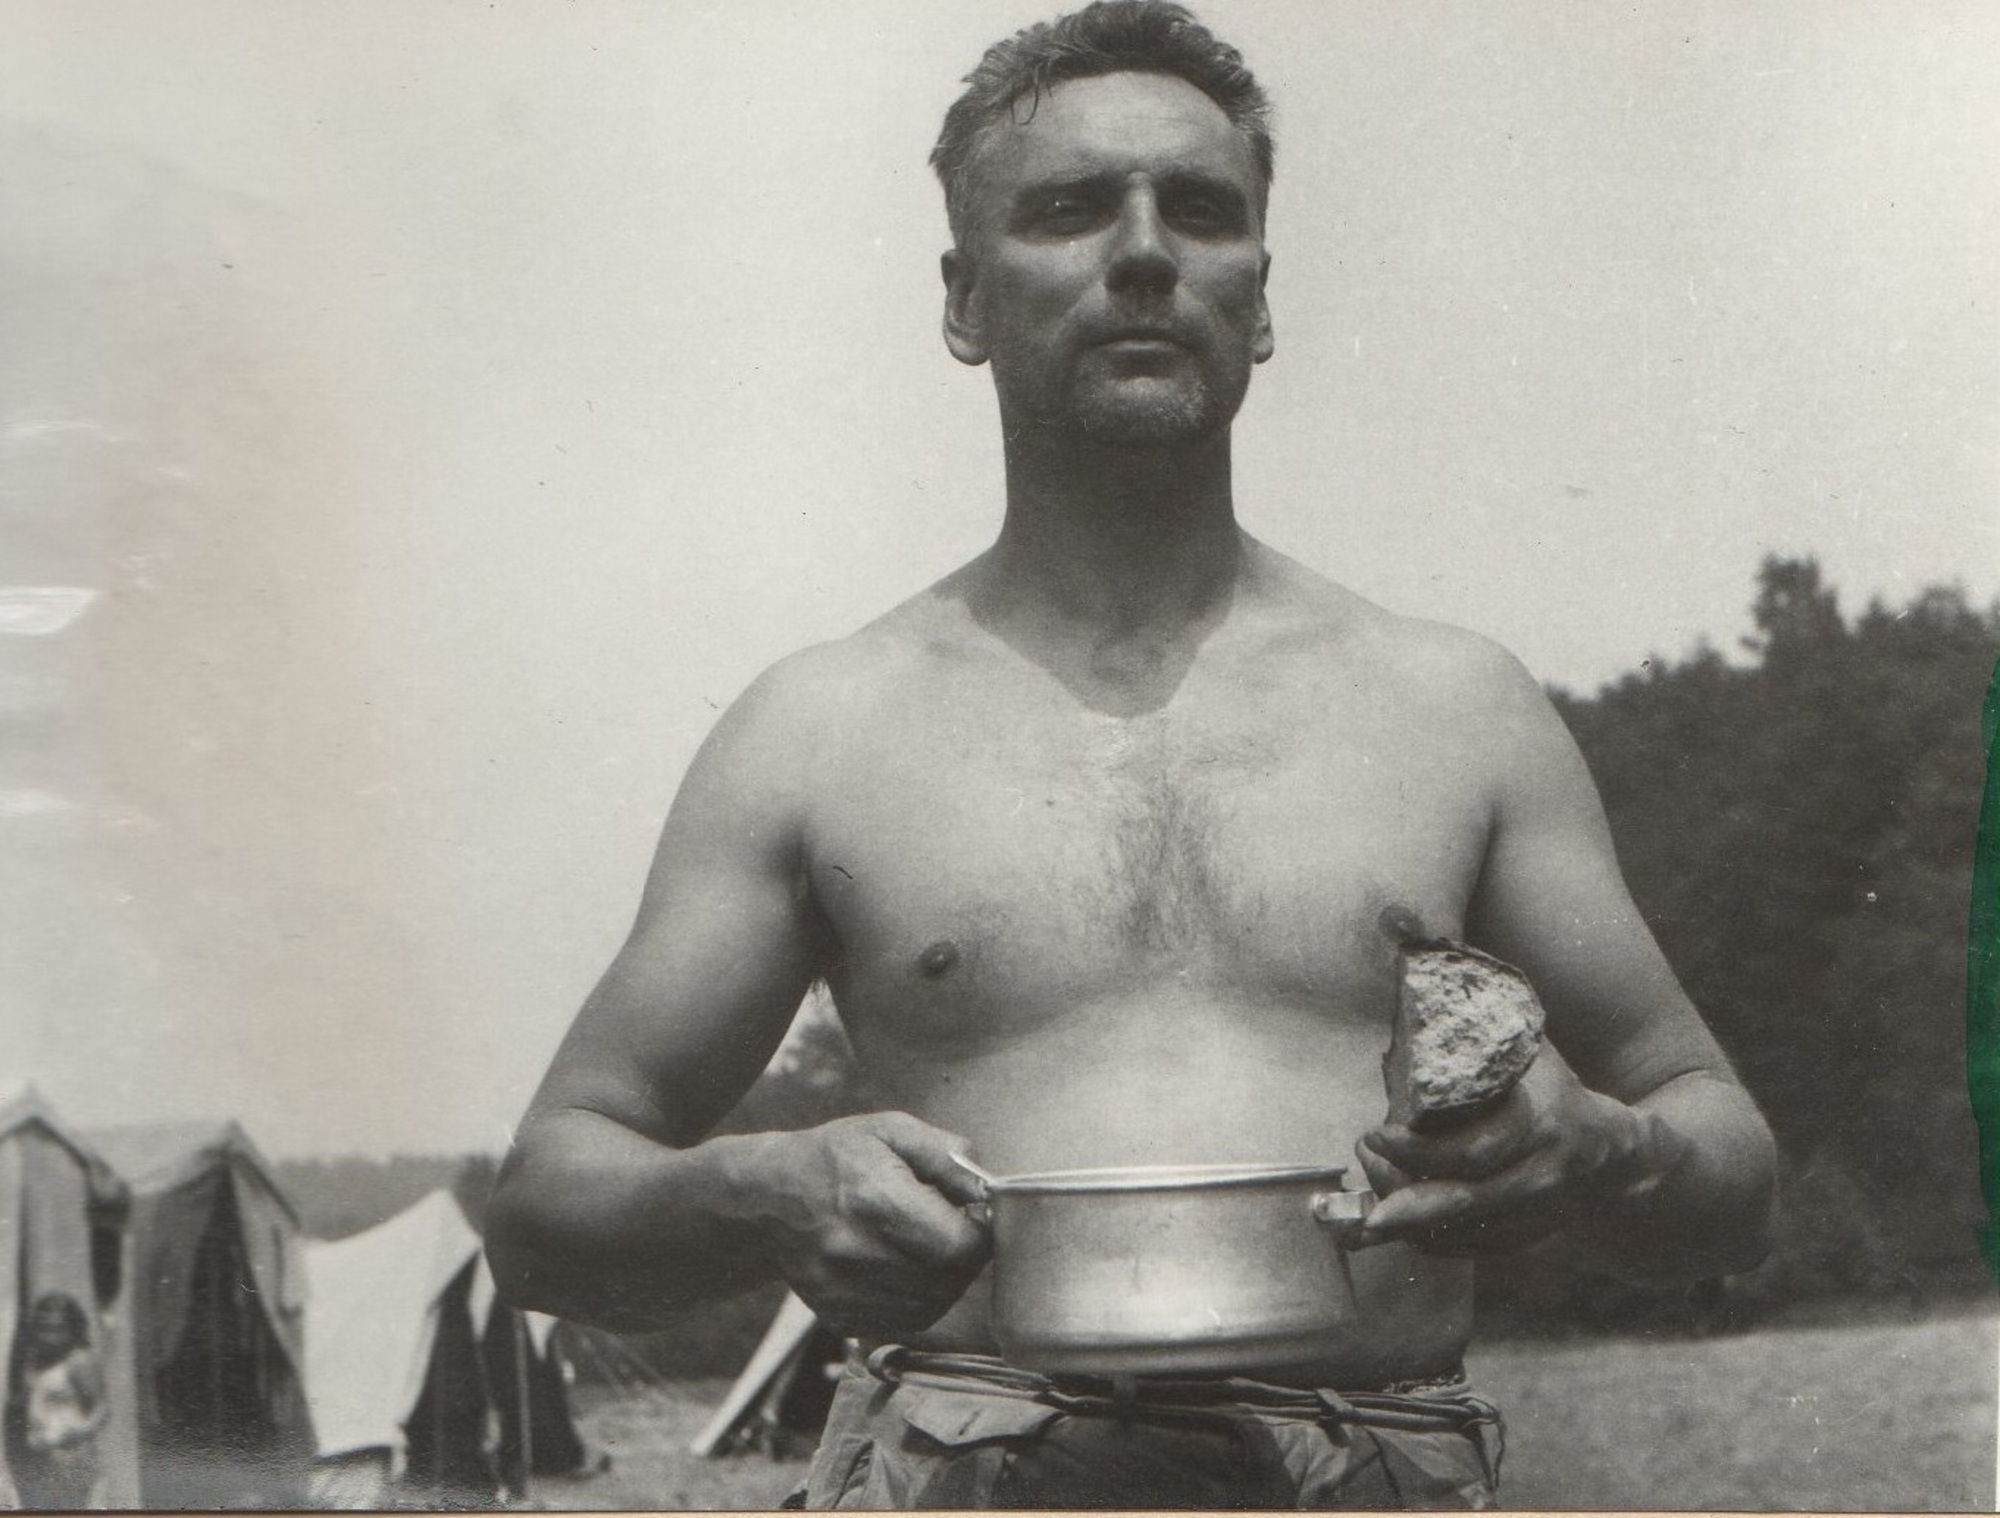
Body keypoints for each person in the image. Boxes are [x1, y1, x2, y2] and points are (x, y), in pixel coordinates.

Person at [486, 2, 1778, 1506]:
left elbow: (1727, 1165)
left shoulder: (1453, 708)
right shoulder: (822, 729)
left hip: (1375, 1467)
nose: (1148, 251)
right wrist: (759, 1186)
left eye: (1203, 211)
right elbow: (545, 1204)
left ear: (1261, 298)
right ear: (964, 299)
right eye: (1070, 208)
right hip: (959, 1467)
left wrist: (1603, 1149)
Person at [6, 1292, 108, 1511]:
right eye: (43, 1328)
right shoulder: (34, 1360)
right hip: (39, 1455)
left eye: (57, 1328)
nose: (49, 1336)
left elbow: (102, 1409)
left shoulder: (79, 1360)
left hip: (70, 1456)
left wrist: (75, 1432)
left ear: (73, 1329)